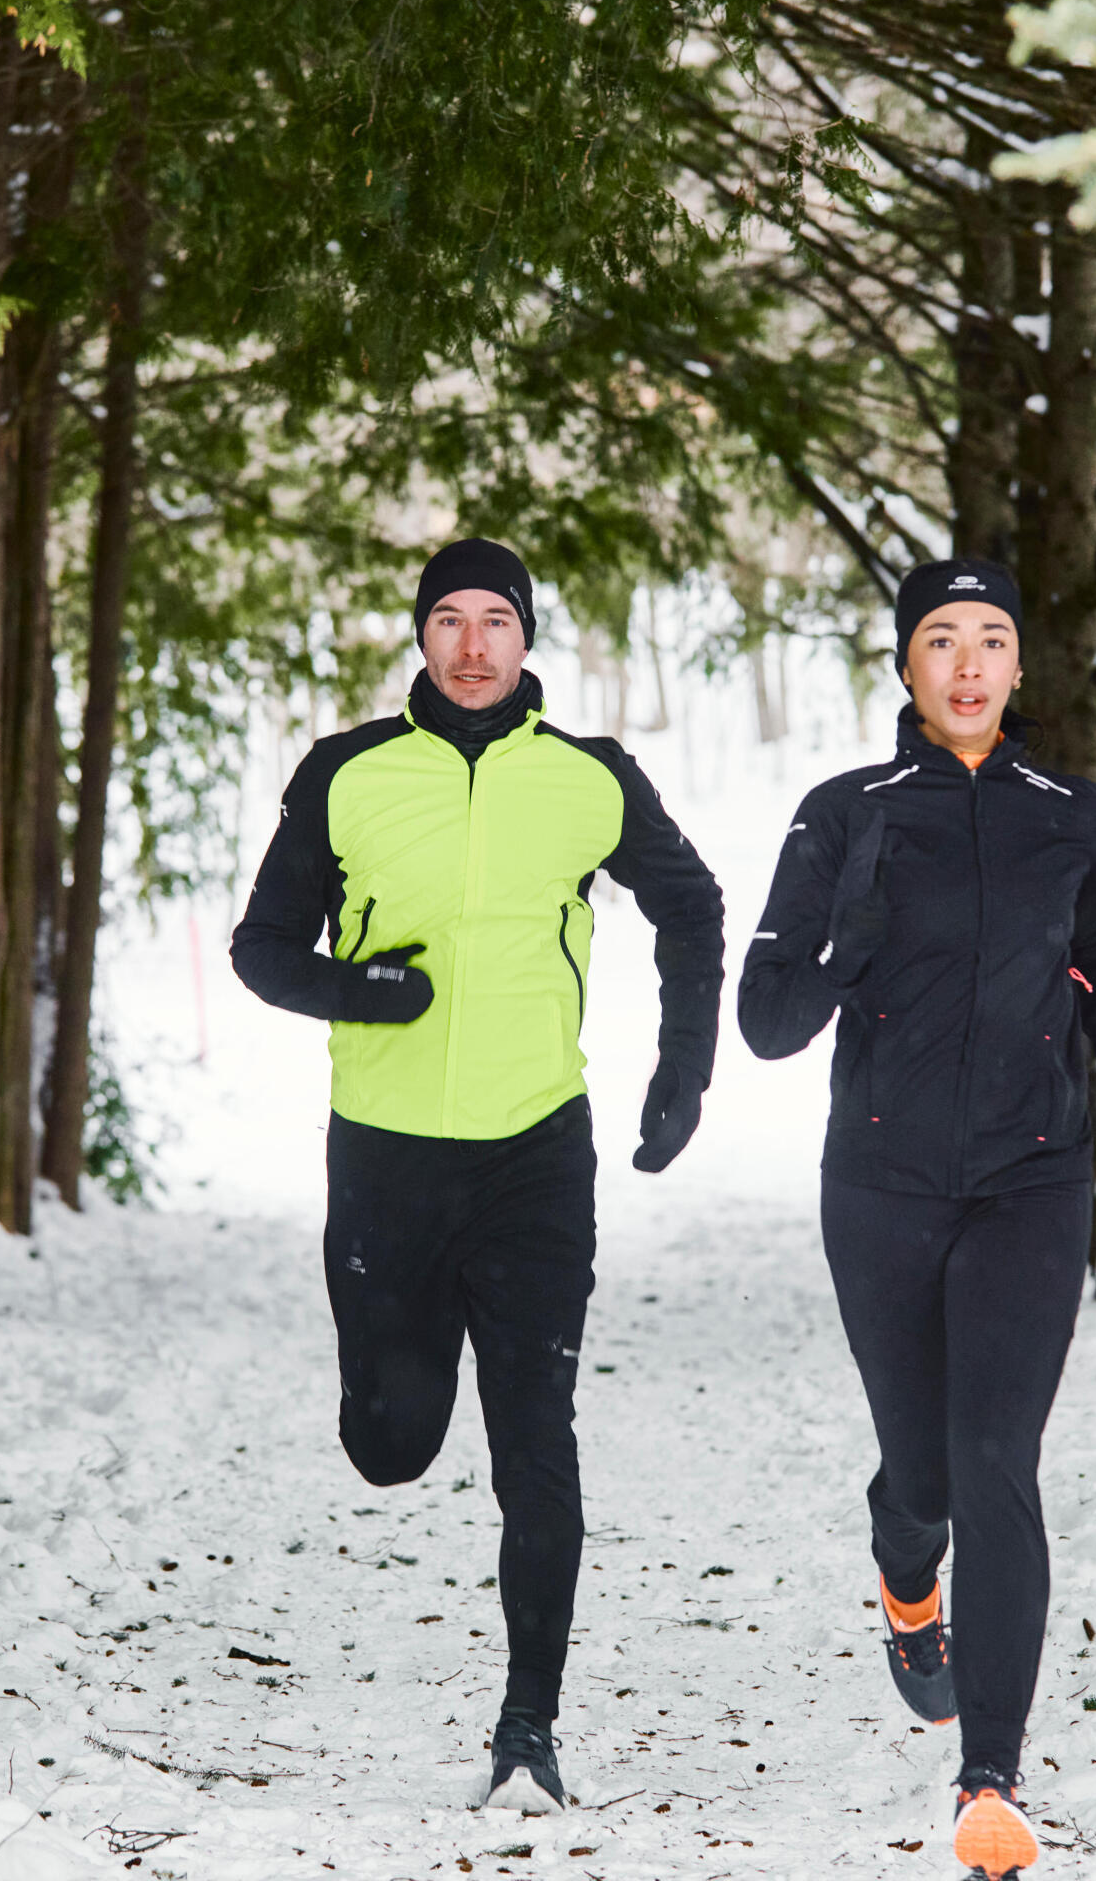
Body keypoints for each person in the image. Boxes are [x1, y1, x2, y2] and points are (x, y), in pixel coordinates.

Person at [737, 558, 1096, 1881]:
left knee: (996, 1459)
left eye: (994, 639)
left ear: (1020, 670)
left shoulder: (1074, 813)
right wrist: (849, 933)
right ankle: (908, 1574)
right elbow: (770, 1023)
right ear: (908, 668)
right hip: (883, 1185)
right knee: (925, 1478)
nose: (968, 662)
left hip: (1032, 1177)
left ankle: (989, 1787)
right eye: (942, 640)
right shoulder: (842, 813)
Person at [231, 537, 725, 1815]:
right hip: (387, 1158)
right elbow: (261, 950)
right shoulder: (346, 773)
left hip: (533, 1160)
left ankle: (528, 1729)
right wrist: (363, 990)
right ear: (422, 635)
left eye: (493, 619)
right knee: (393, 1445)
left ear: (527, 638)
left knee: (536, 1442)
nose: (469, 643)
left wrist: (684, 1070)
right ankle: (400, 1367)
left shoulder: (588, 779)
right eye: (447, 618)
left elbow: (695, 906)